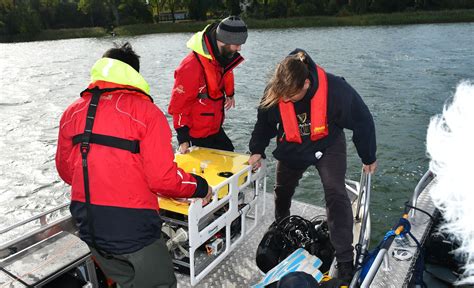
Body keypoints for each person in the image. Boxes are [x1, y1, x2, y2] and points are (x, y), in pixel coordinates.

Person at [55, 42, 211, 288]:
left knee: (125, 280)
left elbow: (66, 172)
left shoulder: (71, 113)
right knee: (160, 283)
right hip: (132, 228)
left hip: (87, 223)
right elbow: (163, 180)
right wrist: (200, 186)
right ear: (134, 75)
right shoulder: (146, 112)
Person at [248, 49, 377, 284]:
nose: (285, 100)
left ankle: (345, 259)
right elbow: (263, 123)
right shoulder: (275, 91)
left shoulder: (336, 90)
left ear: (307, 83)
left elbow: (362, 120)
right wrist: (257, 149)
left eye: (292, 96)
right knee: (282, 190)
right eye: (281, 96)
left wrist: (368, 156)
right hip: (292, 145)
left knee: (335, 193)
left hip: (327, 144)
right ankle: (281, 225)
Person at [168, 16, 248, 153]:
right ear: (224, 41)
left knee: (230, 154)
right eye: (237, 44)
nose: (239, 48)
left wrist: (230, 94)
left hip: (214, 130)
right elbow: (179, 106)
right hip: (195, 136)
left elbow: (226, 75)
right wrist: (183, 139)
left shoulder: (220, 57)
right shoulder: (190, 66)